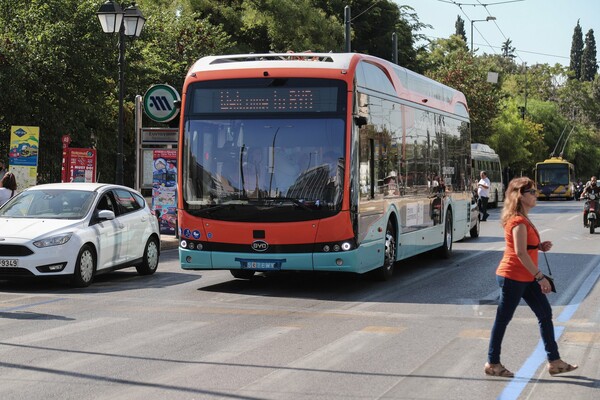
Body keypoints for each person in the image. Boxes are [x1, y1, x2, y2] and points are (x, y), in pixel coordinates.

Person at [485, 177, 577, 378]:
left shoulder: (523, 218)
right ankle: (492, 363)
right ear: (520, 196)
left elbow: (526, 247)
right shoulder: (518, 221)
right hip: (513, 276)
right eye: (532, 192)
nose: (536, 195)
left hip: (525, 277)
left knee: (545, 313)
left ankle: (554, 361)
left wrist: (538, 246)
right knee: (503, 319)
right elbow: (520, 253)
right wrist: (540, 276)